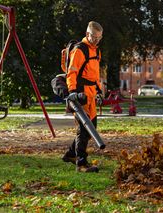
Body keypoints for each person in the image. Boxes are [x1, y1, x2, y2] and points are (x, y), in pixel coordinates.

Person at [62, 21, 104, 173]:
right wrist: (72, 92)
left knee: (91, 128)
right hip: (80, 93)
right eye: (94, 37)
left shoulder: (96, 52)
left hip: (91, 93)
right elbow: (71, 72)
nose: (96, 40)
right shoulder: (80, 50)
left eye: (99, 38)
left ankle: (71, 154)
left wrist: (99, 91)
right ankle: (81, 163)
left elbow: (95, 75)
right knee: (84, 129)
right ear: (87, 34)